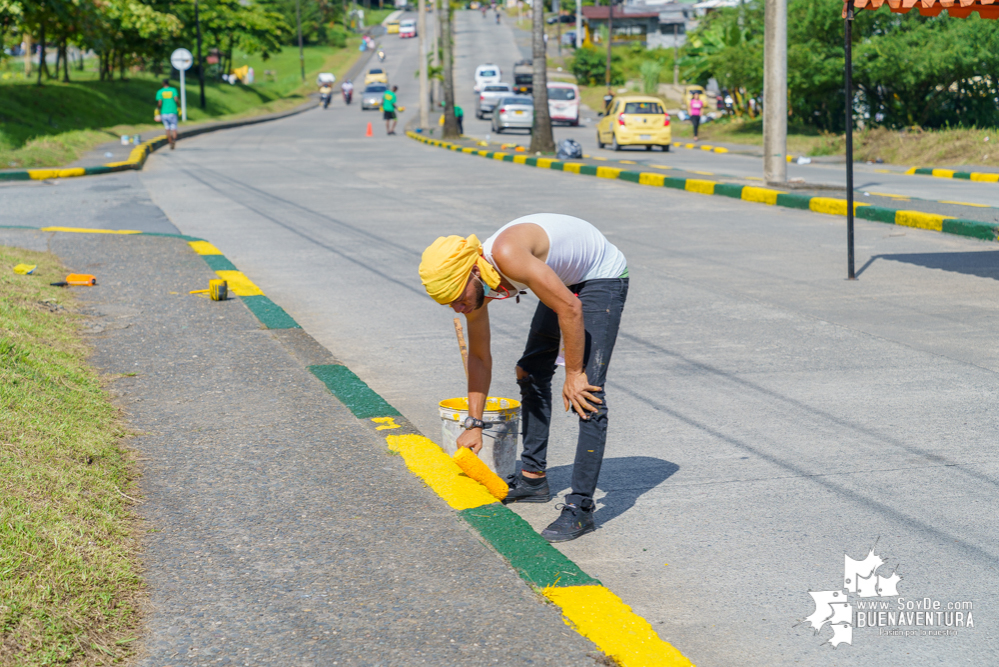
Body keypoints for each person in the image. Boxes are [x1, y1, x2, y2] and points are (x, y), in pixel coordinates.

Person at [418, 214, 629, 543]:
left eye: (458, 299)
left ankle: (581, 507)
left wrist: (574, 373)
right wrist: (474, 423)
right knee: (529, 371)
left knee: (586, 391)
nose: (458, 309)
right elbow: (479, 356)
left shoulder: (507, 256)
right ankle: (533, 478)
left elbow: (570, 309)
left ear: (472, 271)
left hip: (598, 274)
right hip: (563, 277)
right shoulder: (476, 281)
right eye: (450, 305)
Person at [155, 79, 180, 150]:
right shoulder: (173, 90)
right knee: (174, 127)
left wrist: (158, 109)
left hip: (164, 112)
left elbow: (159, 103)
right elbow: (176, 99)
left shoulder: (160, 91)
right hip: (173, 111)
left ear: (163, 83)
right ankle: (174, 140)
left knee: (167, 128)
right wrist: (178, 106)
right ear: (168, 83)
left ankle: (170, 142)